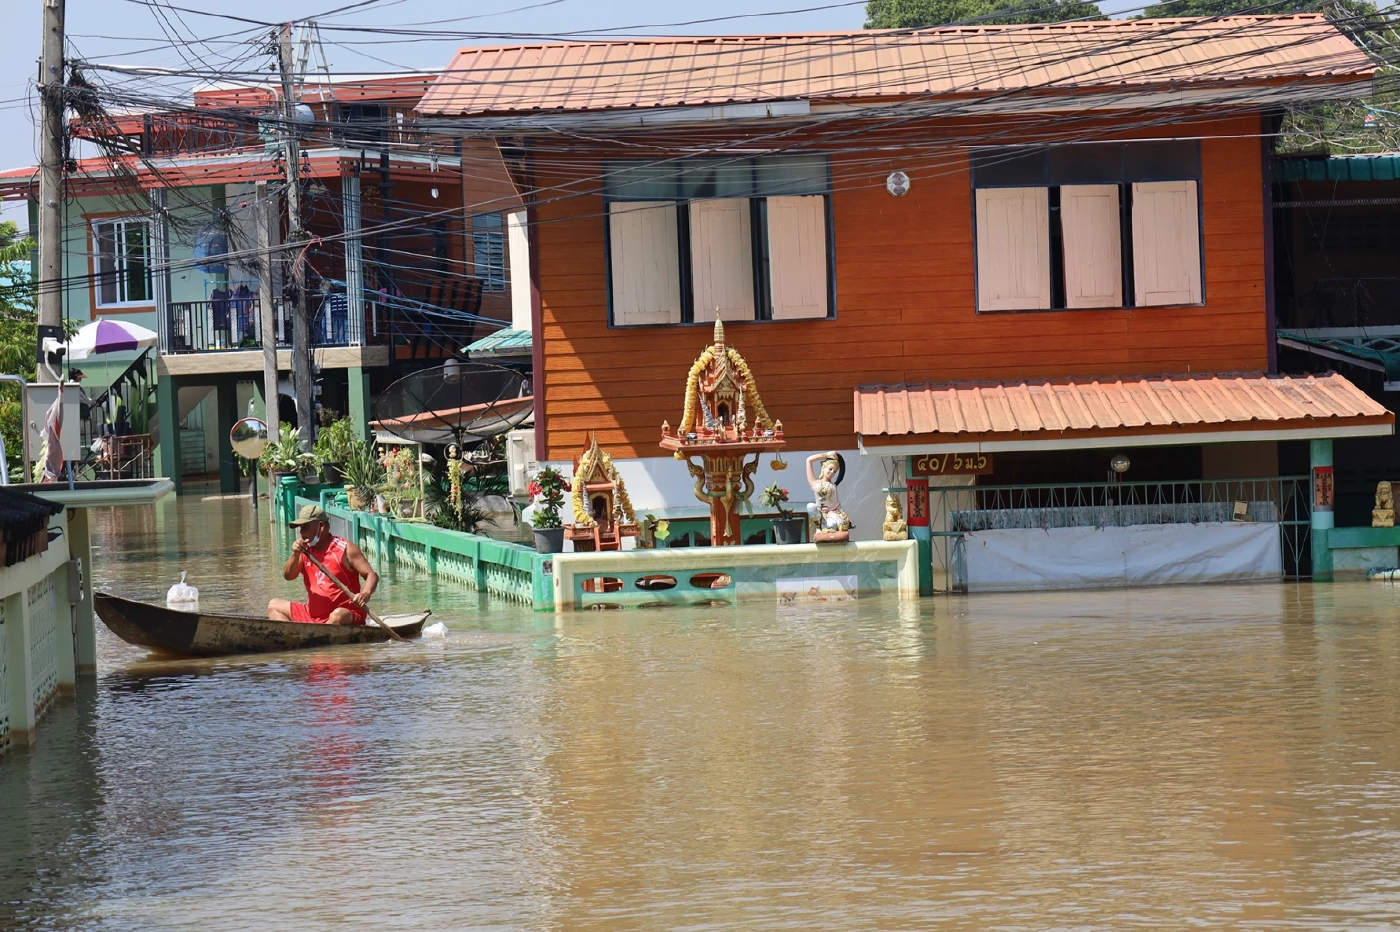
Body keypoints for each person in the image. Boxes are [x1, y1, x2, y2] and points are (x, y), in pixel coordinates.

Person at [268, 504, 379, 625]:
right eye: (301, 528)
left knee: (338, 615)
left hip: (344, 616)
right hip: (312, 616)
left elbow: (371, 575)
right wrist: (295, 554)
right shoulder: (304, 550)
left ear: (321, 526)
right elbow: (288, 576)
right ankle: (296, 634)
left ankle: (317, 633)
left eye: (306, 527)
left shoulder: (345, 548)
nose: (301, 532)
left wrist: (365, 594)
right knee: (274, 605)